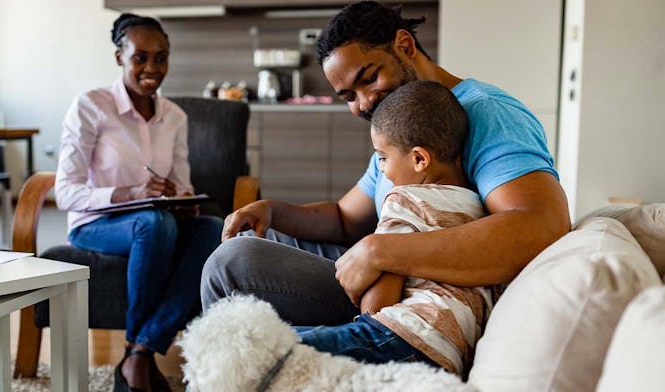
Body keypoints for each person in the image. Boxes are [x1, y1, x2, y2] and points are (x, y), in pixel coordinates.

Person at [201, 0, 569, 330]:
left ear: (405, 47)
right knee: (255, 237)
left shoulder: (485, 111)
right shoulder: (400, 120)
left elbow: (540, 225)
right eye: (348, 96)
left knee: (233, 262)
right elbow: (346, 218)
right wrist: (272, 210)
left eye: (369, 78)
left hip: (417, 298)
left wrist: (381, 251)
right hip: (382, 272)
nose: (364, 103)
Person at [55, 13, 223, 392]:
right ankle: (138, 353)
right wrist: (129, 195)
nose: (152, 68)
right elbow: (65, 192)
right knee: (153, 222)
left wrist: (182, 200)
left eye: (160, 58)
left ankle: (140, 351)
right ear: (120, 58)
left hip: (157, 221)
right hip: (95, 225)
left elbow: (182, 185)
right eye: (140, 58)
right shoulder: (90, 106)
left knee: (213, 228)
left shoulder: (175, 117)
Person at [295, 80, 491, 376]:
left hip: (401, 337)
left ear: (419, 159)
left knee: (264, 351)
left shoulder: (405, 199)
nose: (382, 169)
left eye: (383, 157)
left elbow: (377, 306)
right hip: (450, 356)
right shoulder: (478, 207)